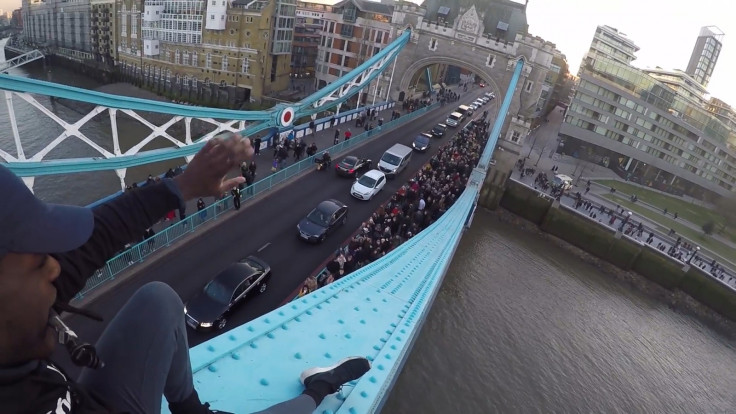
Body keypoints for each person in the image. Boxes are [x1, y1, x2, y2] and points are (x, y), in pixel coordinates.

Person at [0, 132, 370, 413]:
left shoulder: (14, 311)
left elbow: (90, 244)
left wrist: (181, 187)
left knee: (158, 300)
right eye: (36, 261)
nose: (54, 267)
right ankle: (320, 389)